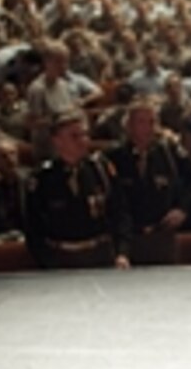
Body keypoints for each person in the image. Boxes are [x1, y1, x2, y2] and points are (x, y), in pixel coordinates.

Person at [25, 110, 132, 270]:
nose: (83, 141)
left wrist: (122, 253)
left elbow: (119, 212)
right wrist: (47, 262)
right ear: (57, 141)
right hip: (62, 257)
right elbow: (33, 228)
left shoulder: (100, 170)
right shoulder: (42, 179)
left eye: (84, 135)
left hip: (100, 254)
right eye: (74, 136)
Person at [106, 99, 191, 265]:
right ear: (129, 126)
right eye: (142, 122)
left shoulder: (169, 153)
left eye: (153, 122)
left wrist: (183, 208)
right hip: (130, 237)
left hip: (162, 234)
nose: (149, 128)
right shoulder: (115, 157)